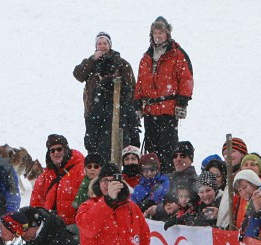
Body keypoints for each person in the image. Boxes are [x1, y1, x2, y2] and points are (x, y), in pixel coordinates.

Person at [134, 17, 194, 173]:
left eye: (161, 32)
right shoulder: (145, 59)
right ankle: (153, 180)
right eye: (155, 32)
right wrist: (137, 104)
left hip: (168, 109)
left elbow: (186, 79)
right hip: (150, 110)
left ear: (167, 34)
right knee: (151, 149)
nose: (158, 35)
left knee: (168, 148)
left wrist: (182, 103)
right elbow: (140, 83)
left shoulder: (178, 55)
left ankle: (168, 179)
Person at [73, 31, 139, 160]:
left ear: (110, 45)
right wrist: (92, 60)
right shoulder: (91, 64)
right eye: (99, 43)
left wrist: (130, 107)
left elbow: (132, 86)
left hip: (118, 113)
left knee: (120, 145)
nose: (102, 46)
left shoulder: (121, 63)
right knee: (94, 147)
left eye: (105, 43)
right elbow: (78, 75)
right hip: (93, 112)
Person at [30, 134, 86, 226]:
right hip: (49, 227)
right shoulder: (45, 176)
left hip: (73, 227)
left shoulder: (81, 170)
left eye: (59, 149)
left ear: (66, 150)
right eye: (52, 150)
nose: (56, 152)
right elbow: (36, 203)